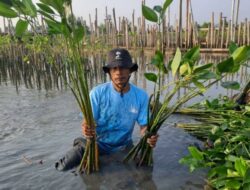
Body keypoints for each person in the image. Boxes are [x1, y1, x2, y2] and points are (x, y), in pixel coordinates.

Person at [55, 48, 158, 171]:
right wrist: (86, 129)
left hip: (124, 147)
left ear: (130, 71)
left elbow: (144, 127)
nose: (119, 72)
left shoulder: (141, 96)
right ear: (109, 72)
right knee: (63, 166)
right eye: (114, 68)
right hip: (96, 144)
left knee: (143, 169)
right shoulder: (97, 93)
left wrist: (149, 137)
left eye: (123, 67)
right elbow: (86, 123)